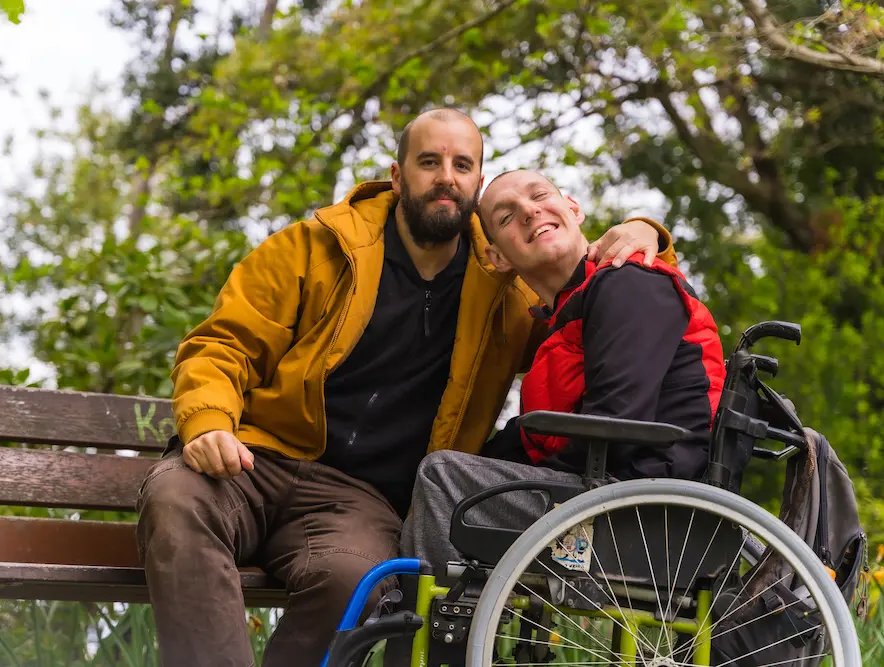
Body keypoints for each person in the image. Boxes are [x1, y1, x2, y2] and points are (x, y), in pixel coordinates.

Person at [135, 110, 674, 667]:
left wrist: (645, 233)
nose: (446, 176)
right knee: (176, 501)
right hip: (250, 461)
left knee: (354, 579)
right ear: (397, 176)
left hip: (357, 501)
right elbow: (222, 345)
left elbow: (599, 307)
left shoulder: (504, 291)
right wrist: (207, 424)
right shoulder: (314, 248)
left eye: (462, 165)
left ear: (476, 182)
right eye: (429, 162)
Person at [400, 168, 726, 571]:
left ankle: (420, 628)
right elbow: (535, 438)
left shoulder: (629, 281)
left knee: (444, 477)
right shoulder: (557, 330)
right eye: (505, 217)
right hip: (606, 496)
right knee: (447, 470)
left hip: (646, 510)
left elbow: (618, 422)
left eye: (539, 195)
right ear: (498, 257)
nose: (528, 211)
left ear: (573, 208)